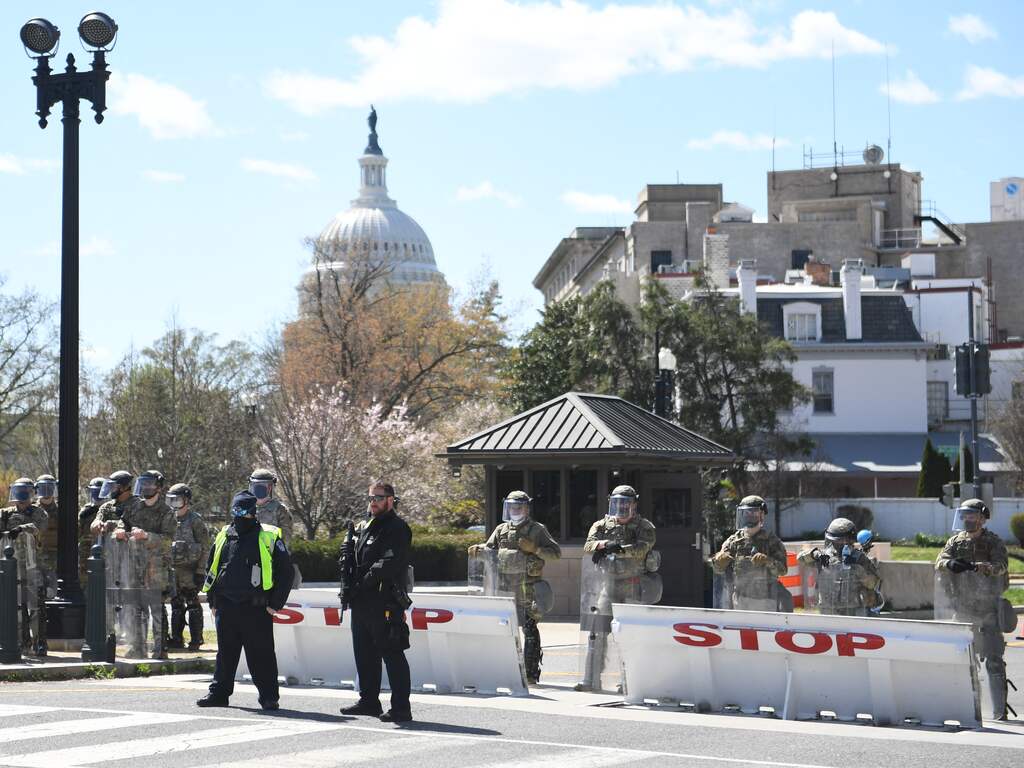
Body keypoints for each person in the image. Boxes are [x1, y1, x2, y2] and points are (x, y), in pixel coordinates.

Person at [197, 490, 293, 711]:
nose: (241, 516)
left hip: (256, 607)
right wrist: (213, 600)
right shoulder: (224, 534)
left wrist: (274, 604)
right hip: (226, 605)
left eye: (245, 511)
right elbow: (212, 566)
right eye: (237, 510)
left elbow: (285, 572)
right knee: (225, 655)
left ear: (253, 512)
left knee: (261, 655)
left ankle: (269, 697)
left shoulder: (268, 535)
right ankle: (219, 694)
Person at [468, 490, 560, 684]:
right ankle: (504, 669)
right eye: (511, 507)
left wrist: (535, 549)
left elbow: (555, 553)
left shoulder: (537, 530)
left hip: (528, 587)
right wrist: (479, 550)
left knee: (529, 629)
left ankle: (530, 673)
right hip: (505, 587)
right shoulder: (501, 530)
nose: (515, 510)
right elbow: (490, 550)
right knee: (503, 628)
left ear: (527, 508)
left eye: (519, 507)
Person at [341, 481, 413, 723]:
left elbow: (388, 563)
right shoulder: (366, 527)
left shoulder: (397, 527)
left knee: (392, 653)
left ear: (391, 500)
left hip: (384, 600)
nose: (373, 502)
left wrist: (364, 582)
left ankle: (401, 707)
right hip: (362, 601)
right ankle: (369, 702)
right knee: (364, 654)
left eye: (379, 498)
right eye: (371, 497)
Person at [935, 498, 1011, 720]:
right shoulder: (955, 542)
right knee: (964, 662)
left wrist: (979, 567)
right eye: (964, 515)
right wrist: (949, 564)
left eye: (971, 515)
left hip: (988, 610)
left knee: (994, 661)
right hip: (963, 609)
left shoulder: (993, 542)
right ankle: (969, 708)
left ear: (982, 517)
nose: (967, 519)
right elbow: (939, 561)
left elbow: (1001, 566)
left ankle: (999, 711)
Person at [576, 485, 657, 692]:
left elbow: (642, 548)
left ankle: (629, 681)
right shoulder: (601, 524)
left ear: (634, 504)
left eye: (626, 503)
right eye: (617, 503)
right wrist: (603, 544)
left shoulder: (644, 526)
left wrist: (618, 549)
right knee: (597, 631)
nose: (621, 507)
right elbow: (588, 545)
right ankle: (590, 679)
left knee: (628, 634)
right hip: (607, 585)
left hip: (632, 584)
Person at [711, 495, 789, 611]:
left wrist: (767, 561)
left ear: (762, 515)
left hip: (765, 600)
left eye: (754, 513)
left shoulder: (772, 541)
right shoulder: (733, 541)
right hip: (740, 599)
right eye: (746, 513)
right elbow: (718, 569)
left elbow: (783, 570)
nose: (749, 517)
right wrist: (719, 561)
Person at [798, 517, 882, 616]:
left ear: (851, 540)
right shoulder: (824, 556)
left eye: (844, 541)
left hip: (853, 610)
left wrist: (856, 568)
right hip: (828, 608)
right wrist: (814, 554)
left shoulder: (859, 558)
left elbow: (873, 583)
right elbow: (800, 558)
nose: (841, 544)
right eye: (837, 541)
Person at [1, 478, 47, 655]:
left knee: (36, 607)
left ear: (31, 494)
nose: (20, 497)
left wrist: (21, 528)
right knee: (15, 607)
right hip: (10, 568)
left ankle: (39, 643)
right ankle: (21, 642)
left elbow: (38, 527)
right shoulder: (5, 513)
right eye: (18, 492)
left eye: (24, 493)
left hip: (32, 566)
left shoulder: (38, 512)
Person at [166, 483, 210, 650]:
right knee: (176, 604)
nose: (174, 506)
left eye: (177, 501)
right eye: (171, 501)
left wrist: (200, 571)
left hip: (191, 571)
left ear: (187, 501)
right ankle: (177, 639)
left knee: (192, 603)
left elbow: (205, 548)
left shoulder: (195, 521)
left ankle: (196, 639)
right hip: (173, 571)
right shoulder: (168, 520)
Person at [248, 468, 293, 545]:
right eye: (256, 485)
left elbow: (285, 542)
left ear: (270, 488)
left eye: (264, 485)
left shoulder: (280, 510)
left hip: (270, 555)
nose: (259, 489)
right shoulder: (245, 508)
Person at [34, 475, 58, 608]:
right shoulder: (31, 510)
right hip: (35, 559)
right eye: (43, 488)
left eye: (50, 488)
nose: (47, 492)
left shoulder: (62, 510)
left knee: (53, 594)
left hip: (56, 559)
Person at [78, 478, 105, 581]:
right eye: (94, 491)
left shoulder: (109, 508)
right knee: (85, 580)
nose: (96, 494)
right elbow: (78, 532)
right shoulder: (85, 510)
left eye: (98, 491)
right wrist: (81, 517)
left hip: (105, 550)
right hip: (86, 552)